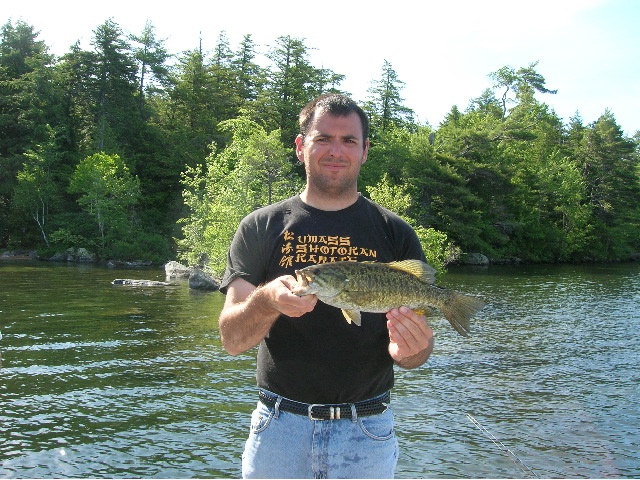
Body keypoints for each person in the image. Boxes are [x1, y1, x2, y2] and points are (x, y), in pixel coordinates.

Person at [218, 93, 434, 479]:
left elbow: (414, 356)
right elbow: (232, 340)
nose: (336, 151)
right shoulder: (260, 227)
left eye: (348, 140)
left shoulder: (396, 232)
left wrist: (413, 349)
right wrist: (268, 300)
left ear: (365, 151)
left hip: (366, 432)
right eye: (323, 139)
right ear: (301, 147)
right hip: (278, 428)